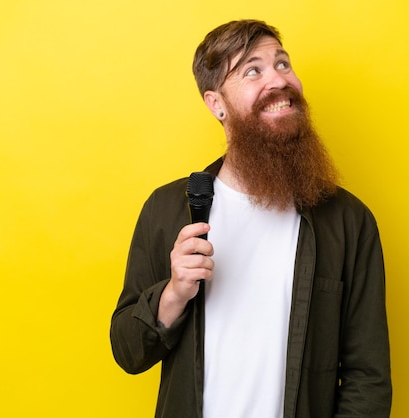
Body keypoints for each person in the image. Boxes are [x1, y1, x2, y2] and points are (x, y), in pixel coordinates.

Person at [110, 19, 392, 418]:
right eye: (252, 70)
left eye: (283, 63)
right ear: (216, 103)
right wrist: (172, 294)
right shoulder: (166, 209)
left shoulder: (348, 222)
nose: (278, 80)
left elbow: (368, 377)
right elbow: (127, 351)